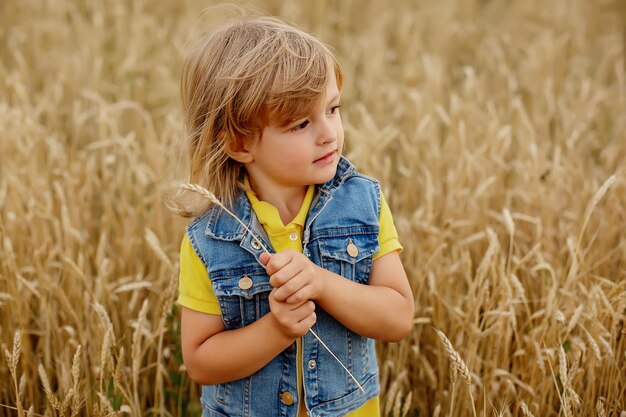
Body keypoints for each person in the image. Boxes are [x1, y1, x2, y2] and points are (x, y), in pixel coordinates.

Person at [177, 15, 414, 417]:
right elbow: (200, 360)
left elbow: (398, 317)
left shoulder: (363, 204)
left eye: (333, 109)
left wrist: (321, 282)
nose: (329, 134)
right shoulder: (211, 237)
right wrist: (278, 328)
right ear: (239, 142)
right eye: (301, 123)